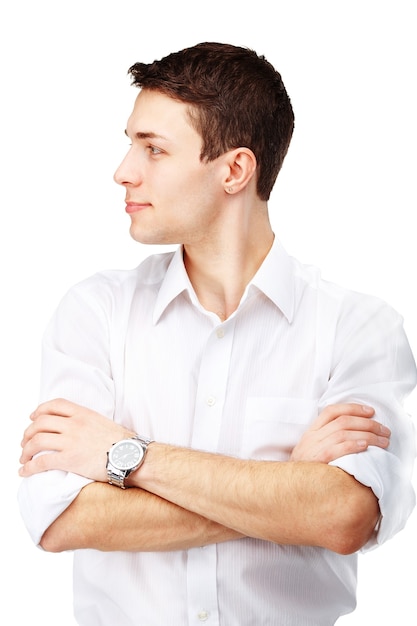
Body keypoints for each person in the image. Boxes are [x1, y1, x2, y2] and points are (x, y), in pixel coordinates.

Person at [18, 42, 416, 626]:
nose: (123, 171)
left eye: (153, 149)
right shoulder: (94, 312)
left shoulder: (358, 327)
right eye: (131, 143)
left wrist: (124, 458)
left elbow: (345, 517)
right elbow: (61, 519)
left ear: (234, 170)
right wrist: (288, 491)